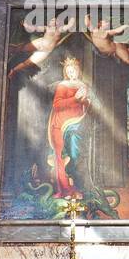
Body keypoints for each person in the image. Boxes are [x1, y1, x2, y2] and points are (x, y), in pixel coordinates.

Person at [47, 56, 89, 199]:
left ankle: (76, 189)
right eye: (69, 71)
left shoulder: (83, 85)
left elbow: (84, 105)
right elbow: (57, 105)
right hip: (61, 125)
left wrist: (86, 101)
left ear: (78, 71)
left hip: (77, 124)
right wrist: (75, 99)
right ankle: (64, 190)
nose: (72, 74)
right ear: (66, 72)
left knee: (76, 157)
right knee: (61, 157)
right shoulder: (62, 85)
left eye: (74, 71)